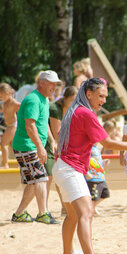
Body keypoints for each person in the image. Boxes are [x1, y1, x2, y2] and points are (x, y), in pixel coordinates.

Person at [53, 77, 127, 254]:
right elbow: (107, 142)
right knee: (86, 212)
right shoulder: (86, 113)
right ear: (89, 94)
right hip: (70, 169)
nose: (104, 101)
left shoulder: (74, 111)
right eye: (101, 96)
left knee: (73, 214)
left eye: (105, 96)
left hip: (63, 168)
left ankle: (68, 251)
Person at [11, 70, 60, 224]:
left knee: (33, 181)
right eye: (51, 83)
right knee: (41, 178)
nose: (54, 86)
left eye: (56, 84)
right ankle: (43, 213)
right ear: (41, 82)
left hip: (30, 145)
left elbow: (42, 123)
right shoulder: (33, 99)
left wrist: (51, 141)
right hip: (27, 145)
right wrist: (40, 147)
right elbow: (30, 125)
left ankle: (19, 214)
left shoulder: (44, 99)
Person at [48, 86, 78, 215]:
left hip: (62, 145)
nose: (74, 102)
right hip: (50, 143)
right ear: (64, 98)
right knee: (56, 176)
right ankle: (62, 207)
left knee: (63, 176)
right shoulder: (55, 109)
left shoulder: (74, 110)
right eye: (72, 99)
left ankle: (65, 207)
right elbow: (57, 134)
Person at [0, 83, 20, 169]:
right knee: (14, 146)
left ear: (7, 93)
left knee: (3, 144)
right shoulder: (5, 103)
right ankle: (20, 164)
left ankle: (5, 164)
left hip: (13, 126)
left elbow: (23, 109)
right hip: (9, 126)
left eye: (1, 96)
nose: (0, 98)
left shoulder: (13, 103)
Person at [85, 144, 109, 216]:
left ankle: (92, 207)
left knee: (105, 194)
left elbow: (96, 162)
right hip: (92, 178)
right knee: (94, 196)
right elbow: (84, 160)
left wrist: (103, 162)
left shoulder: (96, 148)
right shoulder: (87, 148)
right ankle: (91, 209)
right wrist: (86, 173)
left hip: (100, 177)